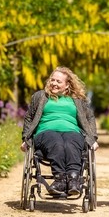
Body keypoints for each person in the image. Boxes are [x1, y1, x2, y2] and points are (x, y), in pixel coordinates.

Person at [21, 66, 99, 196]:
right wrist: (25, 139)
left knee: (71, 142)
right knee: (56, 141)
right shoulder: (40, 96)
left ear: (67, 85)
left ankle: (74, 179)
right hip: (45, 132)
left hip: (72, 131)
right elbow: (29, 117)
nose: (54, 84)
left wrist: (93, 138)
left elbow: (89, 117)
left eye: (58, 81)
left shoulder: (78, 100)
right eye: (52, 80)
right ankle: (60, 180)